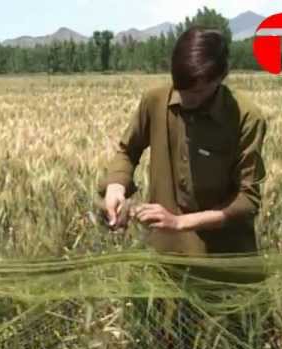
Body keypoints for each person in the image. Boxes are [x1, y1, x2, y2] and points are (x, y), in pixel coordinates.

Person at [100, 26, 267, 256]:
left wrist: (180, 222)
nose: (185, 98)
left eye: (197, 92)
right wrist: (116, 187)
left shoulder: (245, 118)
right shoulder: (155, 101)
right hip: (166, 258)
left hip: (225, 262)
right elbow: (128, 151)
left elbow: (247, 200)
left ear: (220, 77)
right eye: (180, 88)